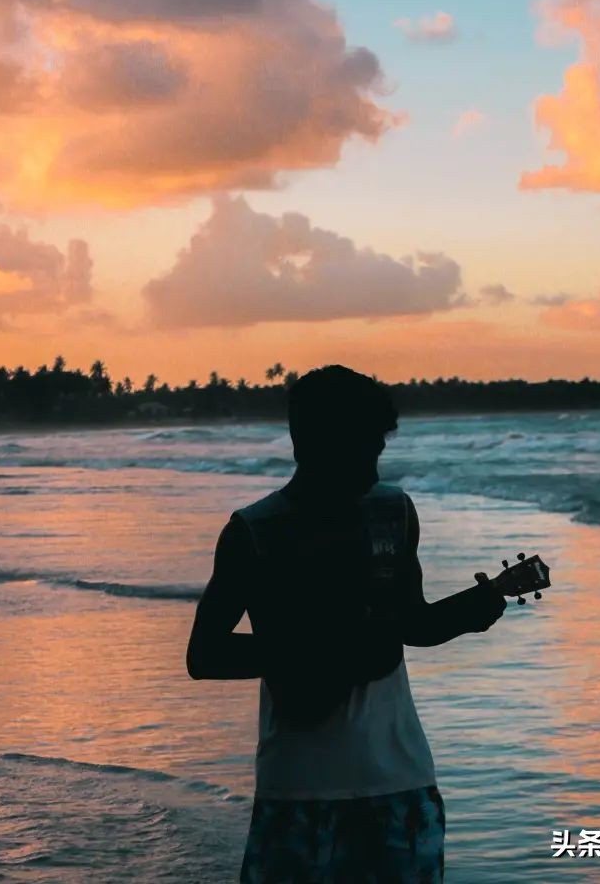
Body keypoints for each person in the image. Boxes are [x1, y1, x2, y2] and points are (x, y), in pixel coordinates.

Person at [186, 365, 508, 882]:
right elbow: (204, 656)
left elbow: (414, 626)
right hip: (298, 790)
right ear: (309, 442)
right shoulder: (253, 531)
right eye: (362, 449)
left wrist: (473, 612)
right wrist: (320, 650)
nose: (374, 468)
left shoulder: (394, 512)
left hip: (401, 781)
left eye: (378, 450)